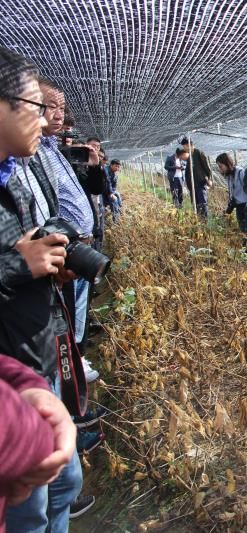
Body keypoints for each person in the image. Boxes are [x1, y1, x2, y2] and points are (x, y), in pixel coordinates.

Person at [0, 46, 83, 532]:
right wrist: (18, 264)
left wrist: (47, 264)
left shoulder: (13, 177)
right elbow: (12, 262)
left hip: (31, 357)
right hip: (13, 365)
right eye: (35, 106)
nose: (48, 118)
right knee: (28, 506)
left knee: (64, 482)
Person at [1, 354, 77, 533]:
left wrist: (27, 383)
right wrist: (40, 433)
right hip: (28, 424)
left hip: (39, 373)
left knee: (68, 481)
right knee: (28, 516)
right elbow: (29, 439)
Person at [215, 152, 247, 234]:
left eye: (221, 166)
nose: (220, 169)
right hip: (238, 206)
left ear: (227, 163)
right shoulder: (229, 175)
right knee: (242, 229)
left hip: (246, 205)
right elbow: (233, 191)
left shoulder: (240, 172)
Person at [180, 138, 212, 219]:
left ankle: (205, 220)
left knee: (203, 202)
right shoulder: (189, 156)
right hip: (192, 184)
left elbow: (207, 167)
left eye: (184, 147)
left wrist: (209, 179)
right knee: (195, 203)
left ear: (189, 145)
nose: (184, 149)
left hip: (201, 182)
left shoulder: (199, 153)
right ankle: (198, 219)